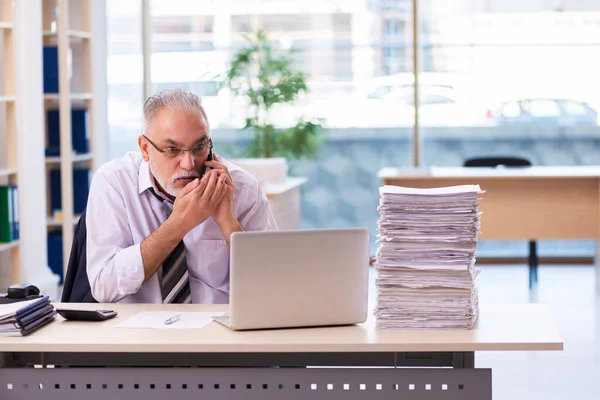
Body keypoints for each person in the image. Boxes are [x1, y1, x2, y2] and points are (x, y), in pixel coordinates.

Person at [85, 88, 277, 304]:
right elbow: (104, 287)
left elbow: (272, 286)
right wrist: (178, 225)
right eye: (172, 149)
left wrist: (227, 222)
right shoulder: (114, 182)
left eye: (199, 147)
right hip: (140, 331)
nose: (189, 164)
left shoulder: (243, 188)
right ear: (145, 148)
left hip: (220, 330)